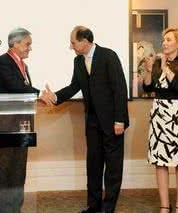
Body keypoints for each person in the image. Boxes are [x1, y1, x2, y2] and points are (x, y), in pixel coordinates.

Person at [41, 26, 129, 213]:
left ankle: (108, 208)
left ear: (85, 41)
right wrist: (55, 97)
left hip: (113, 122)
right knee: (94, 164)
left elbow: (120, 89)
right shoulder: (78, 62)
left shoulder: (108, 56)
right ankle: (93, 205)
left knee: (113, 168)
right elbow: (74, 86)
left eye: (73, 42)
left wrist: (120, 119)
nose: (71, 46)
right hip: (93, 122)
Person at [0, 27, 40, 213]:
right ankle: (4, 210)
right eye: (27, 44)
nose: (30, 48)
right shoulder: (2, 61)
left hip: (22, 125)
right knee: (4, 172)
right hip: (4, 126)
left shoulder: (24, 66)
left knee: (19, 171)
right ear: (16, 43)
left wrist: (39, 95)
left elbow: (24, 90)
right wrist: (40, 94)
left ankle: (16, 209)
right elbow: (15, 87)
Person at [142, 28, 178, 213]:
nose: (163, 42)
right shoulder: (157, 62)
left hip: (177, 113)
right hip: (159, 113)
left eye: (168, 39)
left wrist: (165, 67)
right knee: (160, 161)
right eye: (163, 39)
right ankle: (165, 205)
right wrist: (148, 71)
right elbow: (148, 87)